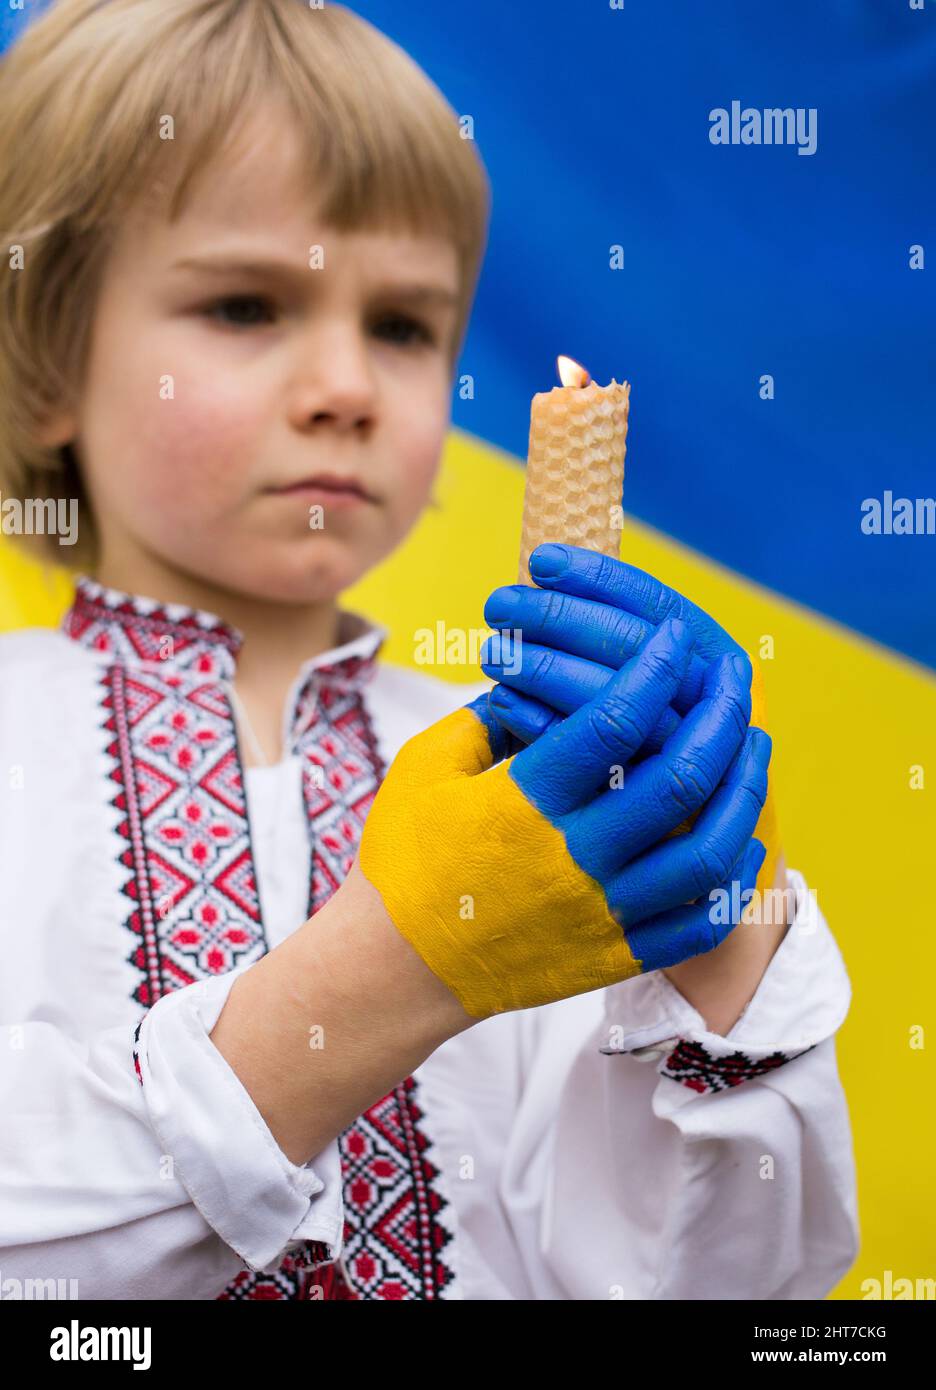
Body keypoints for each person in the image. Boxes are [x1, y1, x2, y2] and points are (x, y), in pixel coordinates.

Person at [0, 0, 857, 1300]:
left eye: (405, 326)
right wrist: (390, 971)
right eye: (246, 304)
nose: (348, 383)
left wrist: (711, 923)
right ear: (47, 354)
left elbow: (707, 1287)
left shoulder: (530, 781)